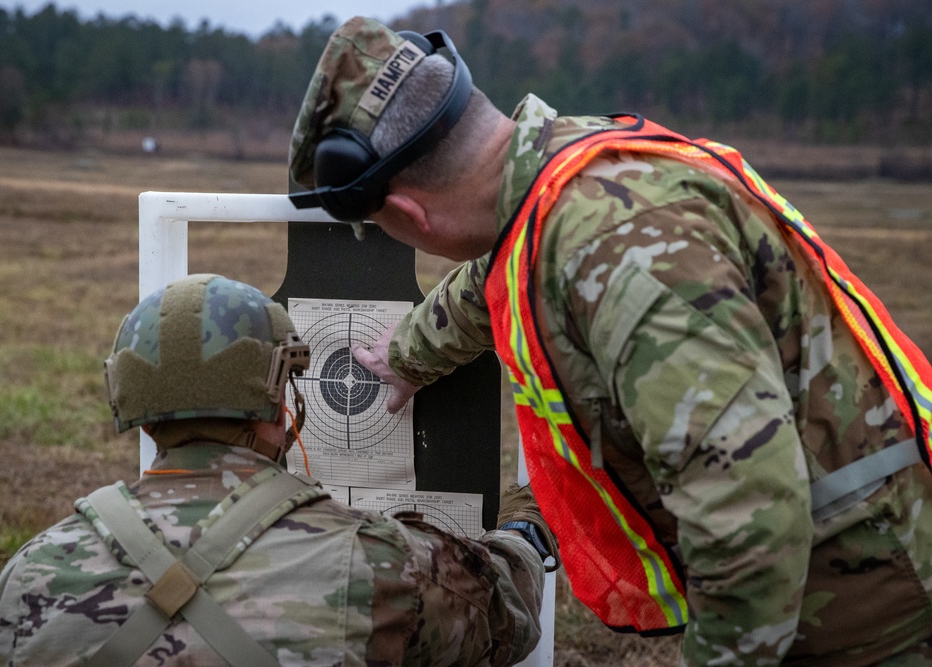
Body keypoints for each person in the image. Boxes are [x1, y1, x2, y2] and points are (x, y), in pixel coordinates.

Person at [287, 16, 932, 667]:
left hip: (869, 618)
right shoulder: (562, 182)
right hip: (841, 581)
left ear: (406, 214)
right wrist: (407, 355)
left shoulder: (618, 252)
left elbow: (748, 510)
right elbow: (497, 277)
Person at [0, 273, 551, 666]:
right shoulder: (378, 563)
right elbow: (506, 612)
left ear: (140, 416)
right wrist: (523, 526)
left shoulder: (27, 575)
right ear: (279, 402)